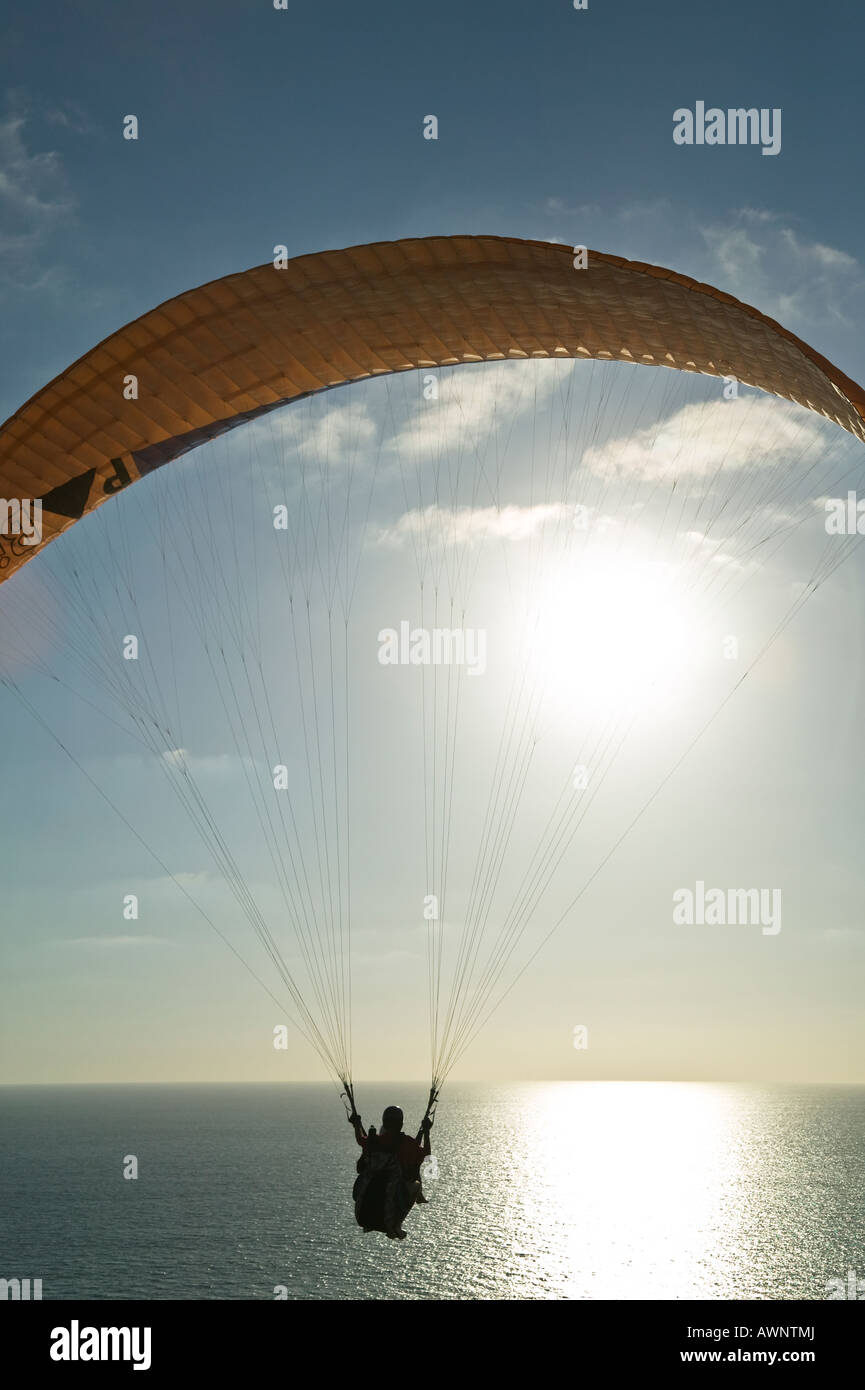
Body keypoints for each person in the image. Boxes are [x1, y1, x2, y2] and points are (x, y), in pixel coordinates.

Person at [349, 1105, 433, 1239]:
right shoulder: (407, 1143)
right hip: (390, 1214)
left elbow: (360, 1139)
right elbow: (426, 1153)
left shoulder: (374, 1141)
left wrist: (356, 1124)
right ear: (401, 1124)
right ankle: (397, 1225)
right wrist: (426, 1132)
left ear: (384, 1123)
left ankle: (373, 1220)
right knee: (415, 1184)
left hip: (362, 1215)